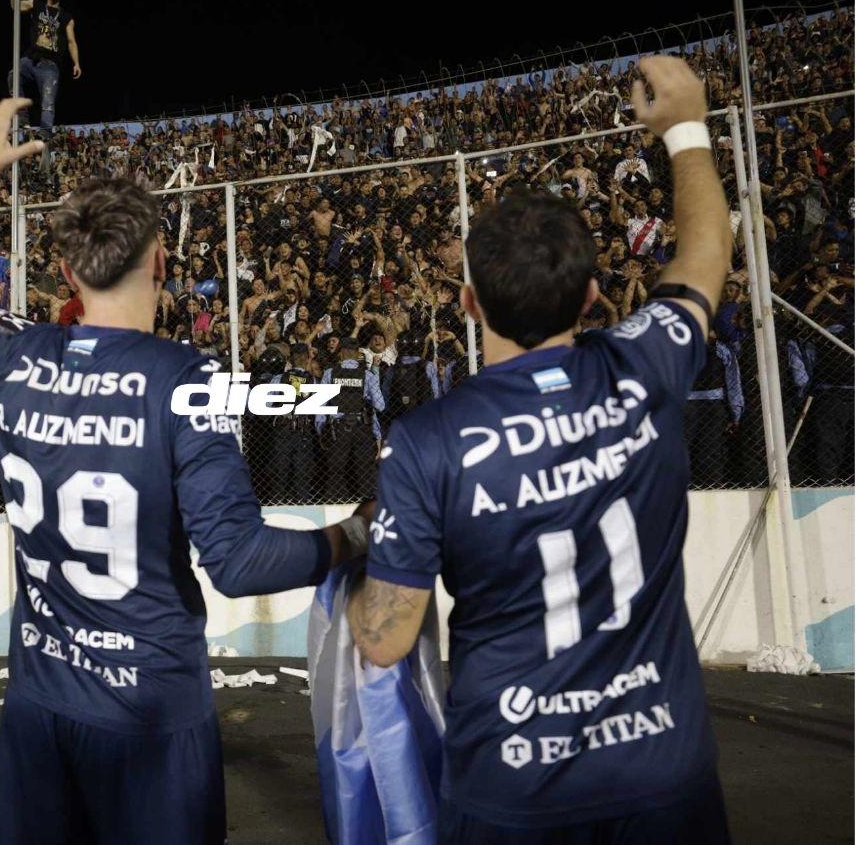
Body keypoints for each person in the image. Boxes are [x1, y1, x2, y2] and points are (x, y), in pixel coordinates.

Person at [0, 98, 368, 845]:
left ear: (66, 271)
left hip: (39, 708)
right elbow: (239, 560)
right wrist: (355, 534)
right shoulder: (184, 378)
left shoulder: (13, 354)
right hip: (151, 718)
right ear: (162, 261)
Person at [346, 57, 733, 841]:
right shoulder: (647, 363)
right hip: (663, 774)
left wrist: (359, 551)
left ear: (466, 301)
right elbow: (705, 255)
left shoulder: (427, 444)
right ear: (593, 298)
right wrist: (687, 126)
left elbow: (383, 641)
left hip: (512, 787)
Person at [9, 0, 82, 130]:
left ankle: (46, 132)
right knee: (13, 76)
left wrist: (76, 63)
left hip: (49, 64)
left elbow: (72, 42)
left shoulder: (66, 17)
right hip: (31, 58)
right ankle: (22, 116)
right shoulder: (36, 4)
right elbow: (15, 6)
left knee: (48, 100)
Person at [316, 337, 384, 502]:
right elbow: (380, 405)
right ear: (357, 354)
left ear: (341, 354)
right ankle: (368, 515)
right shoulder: (367, 375)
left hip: (337, 429)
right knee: (365, 474)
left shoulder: (330, 373)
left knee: (335, 474)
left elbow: (320, 407)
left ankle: (335, 512)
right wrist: (377, 434)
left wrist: (321, 431)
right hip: (361, 428)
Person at [268, 342, 319, 504]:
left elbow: (267, 405)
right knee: (302, 473)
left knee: (280, 472)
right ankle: (303, 506)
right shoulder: (313, 381)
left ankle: (277, 505)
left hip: (283, 428)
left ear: (289, 359)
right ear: (307, 359)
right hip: (304, 430)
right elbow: (319, 410)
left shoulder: (279, 378)